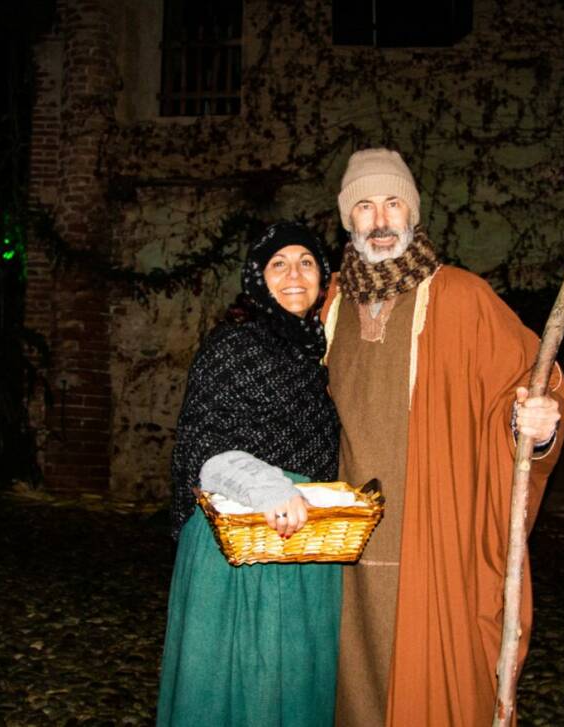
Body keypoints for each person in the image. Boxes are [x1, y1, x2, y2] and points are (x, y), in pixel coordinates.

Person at [322, 148, 564, 726]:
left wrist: (534, 424)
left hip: (435, 541)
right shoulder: (327, 303)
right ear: (346, 219)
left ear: (413, 213)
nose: (380, 221)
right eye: (364, 206)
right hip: (342, 553)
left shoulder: (462, 297)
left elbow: (532, 382)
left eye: (392, 203)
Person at [157, 222, 342, 726]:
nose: (294, 274)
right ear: (258, 278)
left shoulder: (319, 352)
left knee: (296, 684)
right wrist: (268, 487)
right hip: (243, 536)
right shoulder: (235, 344)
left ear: (324, 278)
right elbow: (202, 442)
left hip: (307, 543)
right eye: (278, 263)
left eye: (307, 262)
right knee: (242, 682)